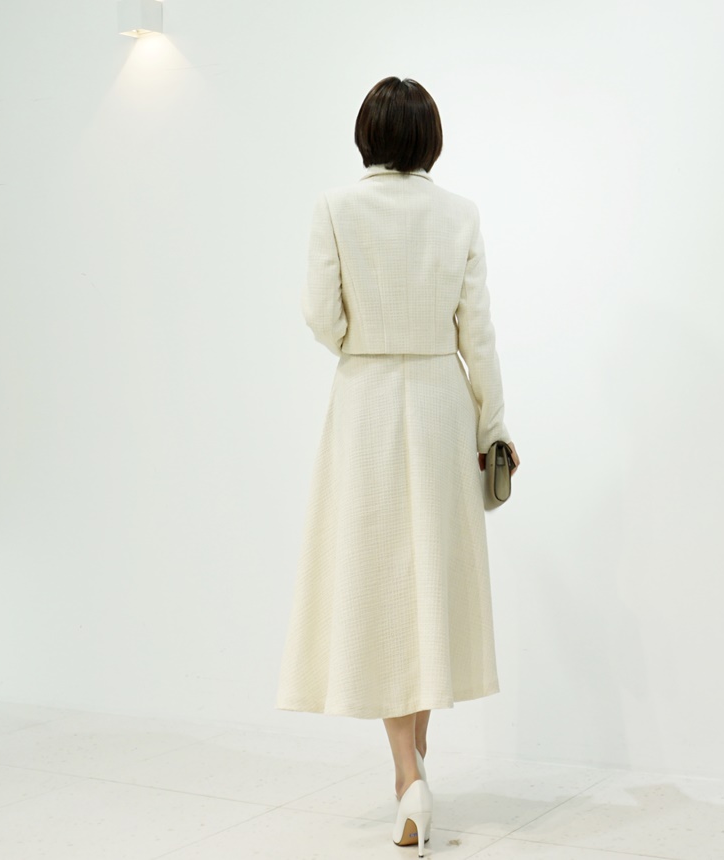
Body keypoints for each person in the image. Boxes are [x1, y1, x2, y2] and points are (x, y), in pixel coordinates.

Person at [275, 76, 520, 855]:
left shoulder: (335, 209)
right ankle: (412, 764)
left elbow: (320, 315)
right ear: (429, 139)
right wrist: (493, 422)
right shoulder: (459, 214)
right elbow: (478, 334)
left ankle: (407, 775)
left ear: (367, 135)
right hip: (442, 403)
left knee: (382, 584)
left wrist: (361, 341)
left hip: (368, 400)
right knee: (425, 582)